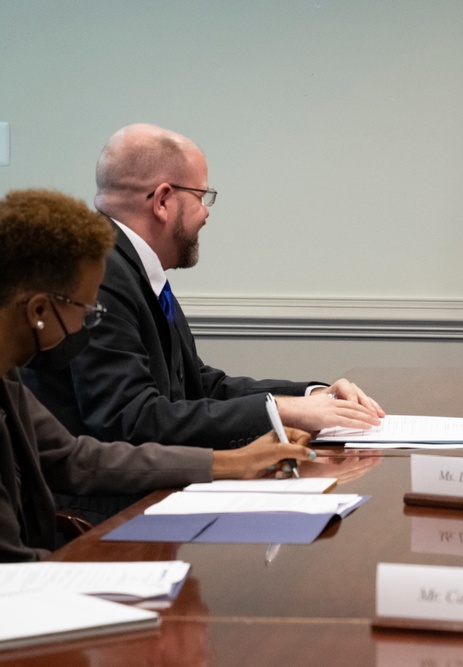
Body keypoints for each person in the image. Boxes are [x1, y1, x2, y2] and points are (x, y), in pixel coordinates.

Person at [22, 123, 384, 452]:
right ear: (163, 200)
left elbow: (198, 386)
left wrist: (311, 396)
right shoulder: (102, 273)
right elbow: (130, 419)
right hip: (109, 512)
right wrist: (285, 410)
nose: (207, 213)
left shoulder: (128, 264)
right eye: (201, 196)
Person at [0, 189, 316, 561]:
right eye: (86, 308)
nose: (90, 321)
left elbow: (75, 458)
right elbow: (12, 566)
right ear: (38, 309)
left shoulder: (9, 380)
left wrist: (238, 461)